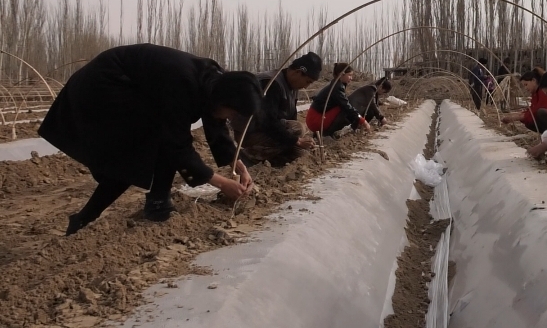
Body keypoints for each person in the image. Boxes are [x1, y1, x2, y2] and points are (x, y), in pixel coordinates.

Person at [38, 44, 259, 236]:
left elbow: (215, 122)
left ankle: (152, 204)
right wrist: (220, 182)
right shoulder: (183, 83)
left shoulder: (214, 82)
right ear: (223, 100)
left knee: (142, 153)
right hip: (103, 88)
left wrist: (237, 164)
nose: (230, 118)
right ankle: (148, 205)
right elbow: (177, 144)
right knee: (136, 154)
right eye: (231, 112)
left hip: (130, 89)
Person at [231, 52, 322, 167]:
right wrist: (297, 140)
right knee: (298, 128)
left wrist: (300, 142)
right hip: (250, 133)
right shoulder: (271, 83)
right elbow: (267, 122)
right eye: (308, 81)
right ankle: (247, 156)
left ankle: (269, 161)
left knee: (301, 153)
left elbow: (290, 118)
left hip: (270, 132)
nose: (306, 87)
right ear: (298, 72)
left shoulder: (293, 87)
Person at [306, 63, 372, 136]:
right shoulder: (337, 88)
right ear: (341, 74)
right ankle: (327, 134)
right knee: (346, 108)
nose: (351, 78)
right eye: (349, 75)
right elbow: (347, 106)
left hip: (315, 118)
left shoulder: (336, 85)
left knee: (347, 107)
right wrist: (362, 121)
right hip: (316, 120)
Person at [501, 68, 547, 132]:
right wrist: (519, 115)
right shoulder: (535, 93)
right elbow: (532, 109)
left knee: (540, 113)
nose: (525, 88)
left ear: (533, 80)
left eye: (526, 84)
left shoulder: (543, 91)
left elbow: (538, 109)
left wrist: (520, 117)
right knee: (529, 123)